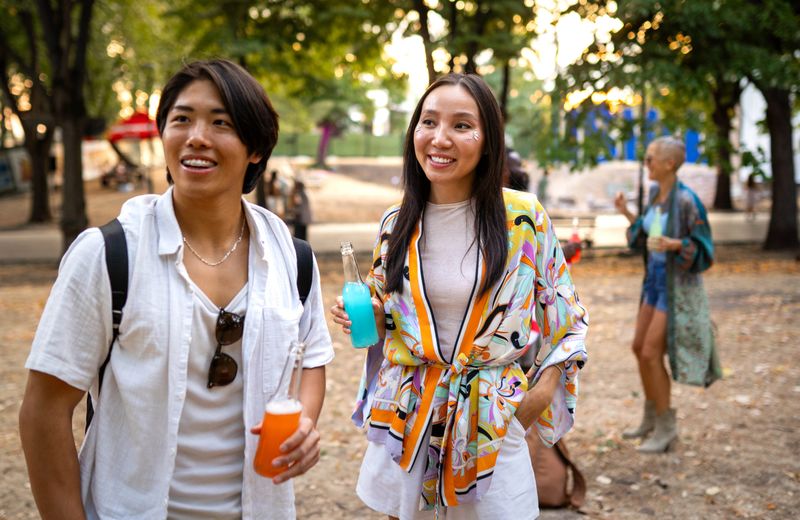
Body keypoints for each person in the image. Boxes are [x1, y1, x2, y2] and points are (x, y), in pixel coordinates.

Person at [18, 59, 334, 519]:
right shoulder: (109, 255)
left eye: (221, 122)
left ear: (256, 149)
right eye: (181, 119)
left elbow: (313, 359)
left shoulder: (292, 257)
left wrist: (304, 421)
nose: (196, 137)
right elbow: (43, 411)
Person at [330, 73, 588, 519]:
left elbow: (568, 318)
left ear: (488, 141)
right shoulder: (396, 222)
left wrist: (534, 399)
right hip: (408, 414)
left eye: (462, 126)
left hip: (488, 420)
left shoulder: (522, 218)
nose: (440, 138)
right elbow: (384, 306)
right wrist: (371, 312)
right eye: (428, 122)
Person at [614, 136, 720, 454]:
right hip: (654, 282)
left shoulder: (687, 201)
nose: (646, 164)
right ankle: (650, 418)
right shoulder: (655, 194)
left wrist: (677, 245)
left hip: (676, 287)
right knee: (638, 348)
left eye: (650, 159)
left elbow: (705, 248)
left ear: (668, 163)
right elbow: (647, 233)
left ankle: (666, 427)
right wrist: (627, 213)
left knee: (650, 352)